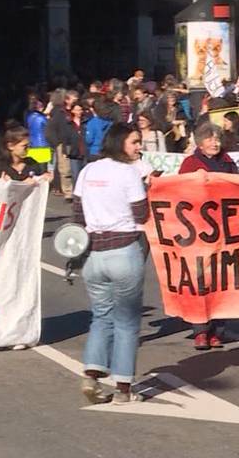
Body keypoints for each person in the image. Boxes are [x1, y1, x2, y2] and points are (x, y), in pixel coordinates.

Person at [73, 122, 150, 405]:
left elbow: (78, 213)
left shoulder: (88, 170)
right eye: (135, 142)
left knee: (101, 316)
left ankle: (91, 375)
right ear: (120, 143)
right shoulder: (128, 173)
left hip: (94, 253)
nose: (139, 147)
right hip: (123, 250)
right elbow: (141, 214)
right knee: (127, 322)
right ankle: (123, 389)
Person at [178, 122, 238, 349]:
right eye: (210, 139)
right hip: (198, 230)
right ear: (200, 142)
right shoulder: (190, 163)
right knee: (201, 280)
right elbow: (179, 193)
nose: (215, 143)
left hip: (225, 227)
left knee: (222, 280)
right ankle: (200, 330)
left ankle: (218, 330)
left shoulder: (228, 162)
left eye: (217, 139)